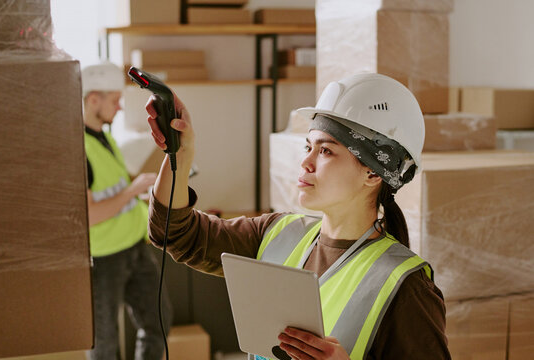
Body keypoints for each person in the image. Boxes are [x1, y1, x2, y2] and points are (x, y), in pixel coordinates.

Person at [145, 73, 450, 359]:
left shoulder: (406, 287)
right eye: (308, 146)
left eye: (326, 151)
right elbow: (174, 232)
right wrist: (180, 155)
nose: (305, 162)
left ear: (373, 172)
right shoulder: (277, 233)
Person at [82, 62, 172, 360]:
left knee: (158, 321)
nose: (120, 108)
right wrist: (132, 191)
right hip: (104, 258)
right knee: (103, 343)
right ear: (93, 99)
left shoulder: (103, 137)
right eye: (115, 100)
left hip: (134, 247)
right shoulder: (78, 150)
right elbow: (89, 215)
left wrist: (140, 194)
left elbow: (113, 190)